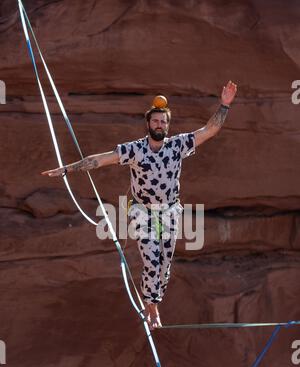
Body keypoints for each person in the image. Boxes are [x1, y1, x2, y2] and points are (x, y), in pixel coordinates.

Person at [42, 80, 238, 330]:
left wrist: (224, 105)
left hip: (169, 211)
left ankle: (155, 300)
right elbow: (100, 160)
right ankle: (151, 308)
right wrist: (67, 170)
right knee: (151, 260)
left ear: (168, 125)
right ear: (148, 124)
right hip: (142, 212)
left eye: (163, 122)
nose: (159, 125)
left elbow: (209, 130)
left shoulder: (178, 145)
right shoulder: (134, 149)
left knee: (165, 264)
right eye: (155, 121)